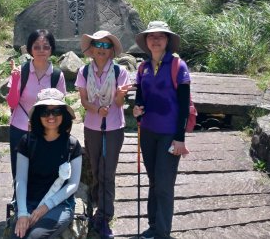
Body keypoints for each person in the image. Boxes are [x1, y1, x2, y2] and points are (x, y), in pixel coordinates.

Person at [132, 21, 191, 239]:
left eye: (160, 36)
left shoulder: (178, 66)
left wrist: (180, 138)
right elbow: (140, 97)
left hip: (169, 134)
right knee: (154, 180)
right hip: (147, 132)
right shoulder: (143, 67)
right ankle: (153, 225)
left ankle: (163, 232)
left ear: (167, 40)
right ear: (146, 41)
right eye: (151, 36)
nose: (155, 40)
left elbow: (184, 106)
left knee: (164, 184)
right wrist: (137, 109)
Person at [74, 30, 133, 239]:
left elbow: (119, 104)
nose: (101, 49)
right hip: (92, 126)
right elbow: (83, 101)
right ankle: (95, 207)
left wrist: (119, 96)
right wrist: (96, 110)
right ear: (90, 49)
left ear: (112, 51)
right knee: (95, 169)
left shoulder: (119, 72)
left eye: (106, 46)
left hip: (114, 127)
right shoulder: (84, 72)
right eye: (98, 44)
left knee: (107, 173)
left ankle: (105, 216)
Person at [12, 88, 82, 239]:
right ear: (38, 115)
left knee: (34, 237)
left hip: (59, 205)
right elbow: (21, 179)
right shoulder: (27, 141)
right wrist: (22, 213)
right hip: (30, 201)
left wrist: (46, 206)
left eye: (56, 111)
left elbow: (73, 184)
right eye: (45, 111)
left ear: (64, 114)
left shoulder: (72, 144)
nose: (51, 116)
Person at [6, 29, 66, 181]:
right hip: (20, 127)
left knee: (41, 170)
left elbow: (60, 106)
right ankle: (19, 202)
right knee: (19, 171)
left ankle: (38, 203)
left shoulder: (57, 75)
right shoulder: (21, 71)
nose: (41, 50)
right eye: (36, 46)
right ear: (30, 48)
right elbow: (12, 103)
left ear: (51, 49)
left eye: (46, 47)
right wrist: (14, 81)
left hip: (47, 128)